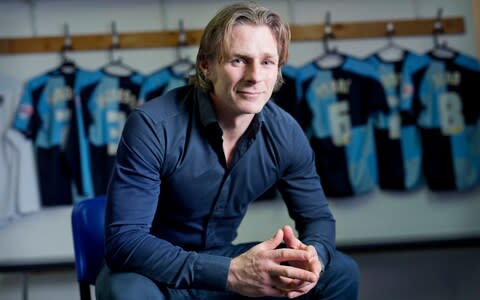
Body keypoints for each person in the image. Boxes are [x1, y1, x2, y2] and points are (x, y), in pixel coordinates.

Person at [96, 2, 359, 299]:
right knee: (127, 294)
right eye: (238, 61)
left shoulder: (285, 134)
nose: (255, 76)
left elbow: (318, 220)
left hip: (224, 263)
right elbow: (124, 242)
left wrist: (314, 258)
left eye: (267, 62)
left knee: (339, 273)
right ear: (206, 65)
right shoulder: (153, 126)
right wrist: (230, 273)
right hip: (150, 271)